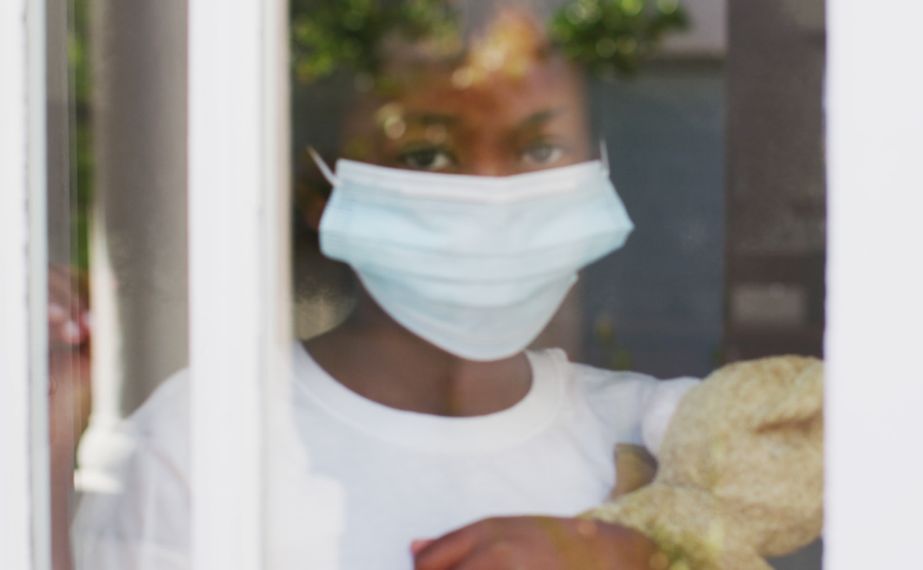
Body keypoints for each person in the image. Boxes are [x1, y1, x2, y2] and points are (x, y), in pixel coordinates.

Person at [70, 4, 700, 569]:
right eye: (425, 155)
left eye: (537, 150)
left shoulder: (660, 436)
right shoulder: (203, 442)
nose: (491, 193)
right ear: (319, 189)